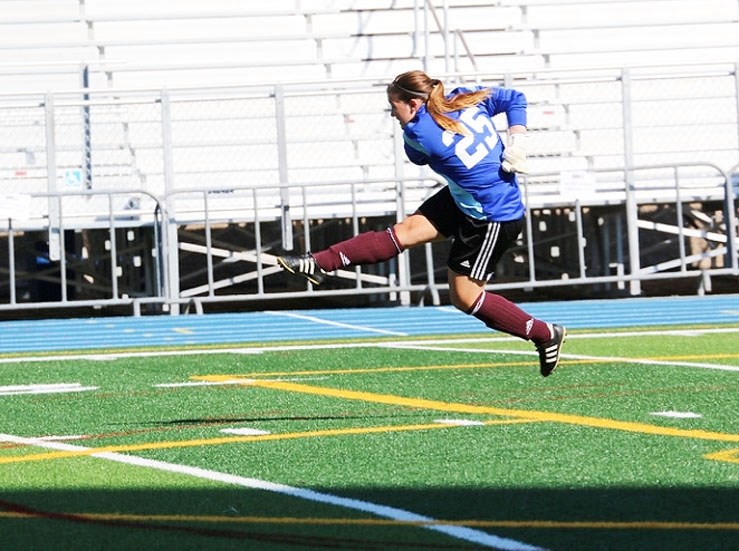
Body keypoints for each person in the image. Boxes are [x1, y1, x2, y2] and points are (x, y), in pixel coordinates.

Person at [277, 70, 566, 377]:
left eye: (394, 106)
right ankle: (316, 262)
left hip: (492, 216)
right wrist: (517, 140)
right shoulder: (461, 98)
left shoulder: (418, 133)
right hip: (465, 197)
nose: (393, 113)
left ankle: (544, 334)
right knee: (402, 233)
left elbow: (416, 156)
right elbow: (514, 98)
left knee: (464, 297)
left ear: (413, 105)